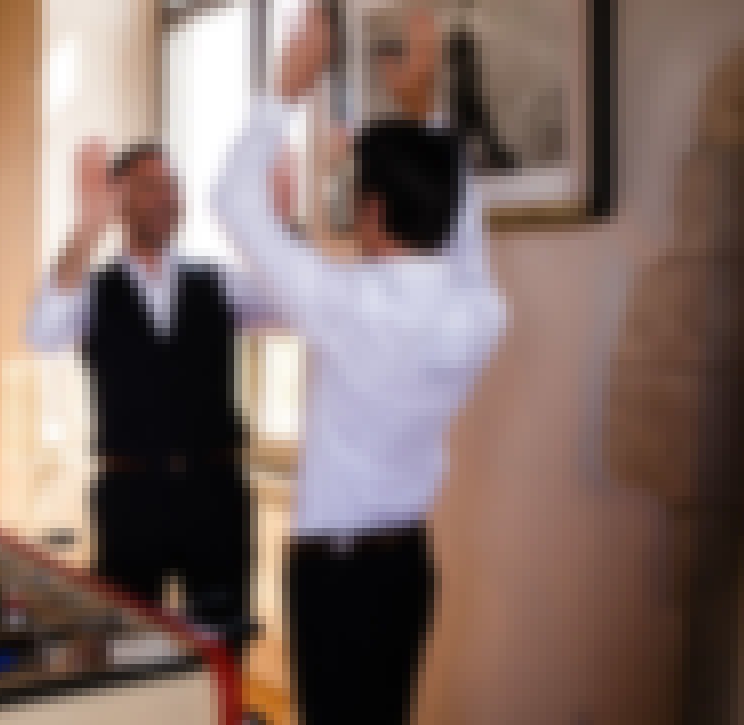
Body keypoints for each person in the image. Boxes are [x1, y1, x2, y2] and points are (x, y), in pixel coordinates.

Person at [212, 7, 508, 725]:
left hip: (336, 576)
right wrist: (429, 115)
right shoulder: (482, 311)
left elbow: (228, 199)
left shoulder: (342, 299)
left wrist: (286, 89)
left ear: (373, 212)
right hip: (408, 566)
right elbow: (460, 231)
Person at [26, 140, 282, 659]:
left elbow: (297, 306)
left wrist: (279, 228)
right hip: (130, 499)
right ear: (119, 199)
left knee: (222, 653)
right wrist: (86, 227)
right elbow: (42, 332)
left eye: (173, 185)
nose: (167, 198)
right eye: (150, 186)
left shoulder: (218, 280)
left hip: (216, 495)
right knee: (129, 653)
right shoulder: (93, 290)